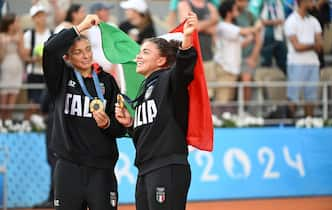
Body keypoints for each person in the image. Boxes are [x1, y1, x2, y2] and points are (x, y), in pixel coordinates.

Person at [115, 12, 198, 210]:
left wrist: (187, 39)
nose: (138, 57)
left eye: (145, 52)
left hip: (166, 167)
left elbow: (184, 69)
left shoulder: (169, 79)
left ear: (161, 61)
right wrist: (130, 124)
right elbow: (150, 132)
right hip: (146, 169)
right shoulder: (145, 89)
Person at [42, 14, 126, 210]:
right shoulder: (61, 78)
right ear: (67, 57)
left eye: (88, 50)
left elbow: (120, 129)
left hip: (101, 169)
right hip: (69, 167)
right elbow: (49, 49)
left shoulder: (107, 81)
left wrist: (107, 124)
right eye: (78, 52)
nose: (86, 55)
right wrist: (79, 28)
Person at [213, 0, 259, 109]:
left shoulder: (231, 27)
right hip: (225, 68)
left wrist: (251, 36)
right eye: (235, 9)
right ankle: (218, 124)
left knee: (228, 99)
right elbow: (245, 31)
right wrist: (258, 25)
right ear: (229, 13)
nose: (237, 11)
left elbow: (241, 43)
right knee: (222, 100)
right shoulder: (224, 26)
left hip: (231, 68)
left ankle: (224, 122)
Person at [284, 0, 323, 117]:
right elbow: (297, 47)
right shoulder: (291, 21)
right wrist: (313, 45)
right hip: (296, 63)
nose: (313, 2)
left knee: (311, 97)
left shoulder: (314, 21)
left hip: (313, 63)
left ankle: (309, 122)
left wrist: (307, 45)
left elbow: (320, 46)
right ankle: (291, 125)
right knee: (293, 96)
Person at [178, 0, 219, 100]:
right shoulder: (184, 4)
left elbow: (215, 30)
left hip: (208, 57)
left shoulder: (210, 6)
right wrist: (210, 22)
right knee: (191, 93)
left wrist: (199, 26)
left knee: (209, 94)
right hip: (190, 57)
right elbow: (188, 26)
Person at [24, 4, 54, 118]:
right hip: (34, 73)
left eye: (43, 15)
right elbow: (25, 57)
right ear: (33, 18)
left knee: (47, 103)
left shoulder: (51, 33)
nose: (41, 18)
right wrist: (36, 59)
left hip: (48, 74)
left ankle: (43, 126)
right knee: (33, 104)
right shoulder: (28, 35)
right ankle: (31, 128)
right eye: (38, 16)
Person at [0, 13, 25, 119]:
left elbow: (23, 55)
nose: (19, 24)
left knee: (10, 106)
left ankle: (7, 123)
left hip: (17, 68)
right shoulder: (1, 36)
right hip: (4, 69)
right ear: (10, 24)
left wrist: (19, 42)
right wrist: (3, 45)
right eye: (17, 21)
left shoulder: (20, 35)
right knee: (3, 104)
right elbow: (0, 57)